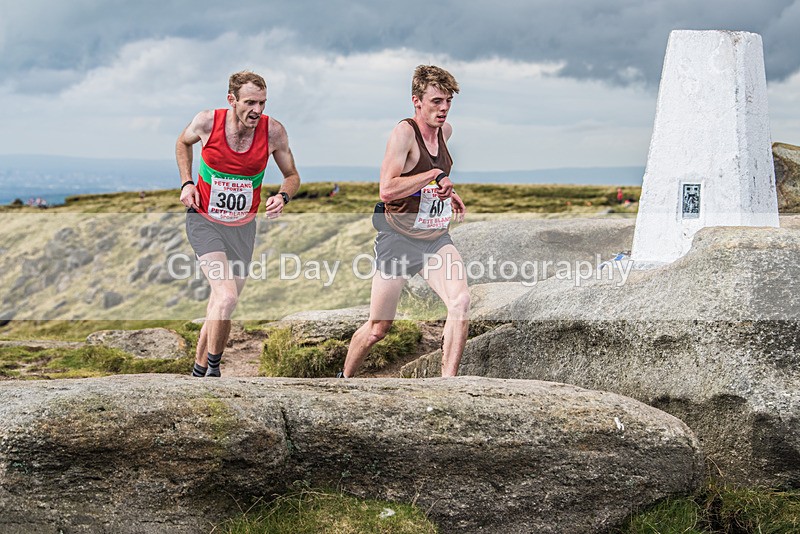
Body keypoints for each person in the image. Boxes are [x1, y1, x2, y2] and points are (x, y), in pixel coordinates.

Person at [341, 65, 469, 378]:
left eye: (448, 101)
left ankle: (447, 385)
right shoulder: (404, 133)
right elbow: (386, 189)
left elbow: (430, 180)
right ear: (417, 101)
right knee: (378, 328)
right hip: (397, 238)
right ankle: (343, 381)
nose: (444, 108)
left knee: (460, 301)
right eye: (436, 101)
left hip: (434, 237)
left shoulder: (445, 132)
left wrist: (444, 192)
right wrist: (433, 175)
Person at [176, 70, 300, 377]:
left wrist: (283, 197)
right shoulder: (207, 122)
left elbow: (292, 176)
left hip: (243, 228)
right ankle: (215, 372)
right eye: (250, 103)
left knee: (221, 303)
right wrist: (187, 183)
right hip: (204, 220)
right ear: (232, 100)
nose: (257, 110)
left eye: (262, 103)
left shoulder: (274, 132)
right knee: (227, 296)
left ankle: (198, 369)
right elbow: (182, 143)